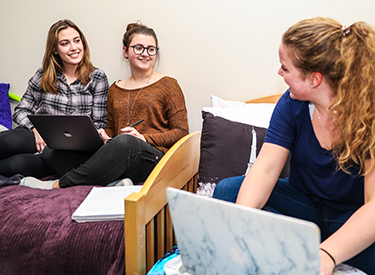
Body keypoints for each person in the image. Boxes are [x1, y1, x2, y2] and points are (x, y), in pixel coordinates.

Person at [212, 17, 375, 275]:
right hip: (304, 209)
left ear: (315, 79)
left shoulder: (369, 114)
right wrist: (238, 227)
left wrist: (328, 254)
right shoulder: (291, 104)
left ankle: (319, 247)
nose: (280, 73)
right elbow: (265, 170)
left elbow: (373, 205)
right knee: (228, 191)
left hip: (350, 216)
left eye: (285, 68)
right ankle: (304, 244)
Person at [21, 22, 189, 189]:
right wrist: (104, 135)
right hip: (122, 156)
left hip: (154, 157)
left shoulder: (169, 85)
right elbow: (111, 129)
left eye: (151, 49)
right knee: (52, 153)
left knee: (126, 142)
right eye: (138, 48)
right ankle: (113, 182)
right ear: (125, 51)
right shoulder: (115, 88)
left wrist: (144, 138)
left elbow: (182, 132)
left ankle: (58, 184)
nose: (145, 54)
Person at [0, 19, 109, 178]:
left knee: (13, 165)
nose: (74, 47)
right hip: (38, 136)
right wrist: (34, 129)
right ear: (55, 49)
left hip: (69, 150)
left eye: (77, 41)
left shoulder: (97, 77)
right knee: (6, 142)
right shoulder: (44, 74)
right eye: (65, 43)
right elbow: (21, 110)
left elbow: (99, 123)